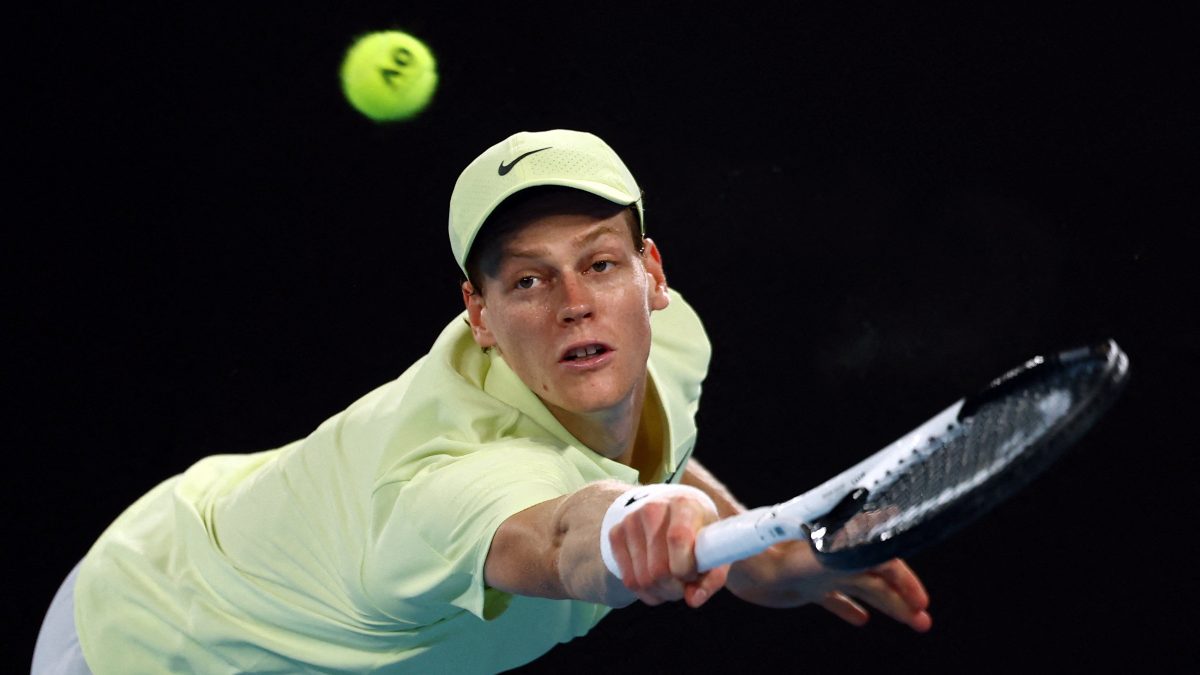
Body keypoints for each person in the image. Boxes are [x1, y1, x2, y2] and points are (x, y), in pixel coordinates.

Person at [32, 129, 931, 674]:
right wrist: (638, 524)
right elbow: (560, 533)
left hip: (230, 529)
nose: (577, 300)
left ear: (652, 275)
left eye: (601, 262)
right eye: (530, 280)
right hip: (146, 640)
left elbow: (631, 451)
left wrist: (759, 553)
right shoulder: (448, 488)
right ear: (482, 314)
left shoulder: (668, 341)